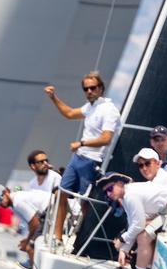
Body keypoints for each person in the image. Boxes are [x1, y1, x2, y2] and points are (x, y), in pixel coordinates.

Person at [43, 71, 121, 244]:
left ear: (101, 88)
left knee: (85, 203)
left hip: (93, 161)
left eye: (93, 88)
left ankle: (82, 240)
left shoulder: (109, 110)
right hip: (78, 159)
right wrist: (53, 97)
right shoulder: (90, 107)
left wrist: (82, 143)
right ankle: (57, 238)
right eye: (85, 89)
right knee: (61, 193)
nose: (89, 91)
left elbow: (106, 139)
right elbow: (70, 113)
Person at [101, 173, 167, 269]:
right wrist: (124, 250)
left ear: (120, 183)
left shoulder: (130, 196)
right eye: (105, 192)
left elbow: (138, 225)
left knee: (143, 236)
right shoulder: (126, 197)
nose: (108, 194)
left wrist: (121, 239)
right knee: (143, 233)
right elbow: (133, 225)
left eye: (110, 188)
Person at [0, 184, 50, 269]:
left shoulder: (17, 201)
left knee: (30, 247)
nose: (0, 203)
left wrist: (28, 241)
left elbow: (35, 223)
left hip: (51, 208)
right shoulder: (14, 203)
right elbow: (32, 222)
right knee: (33, 244)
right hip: (49, 210)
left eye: (0, 199)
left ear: (6, 192)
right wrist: (28, 239)